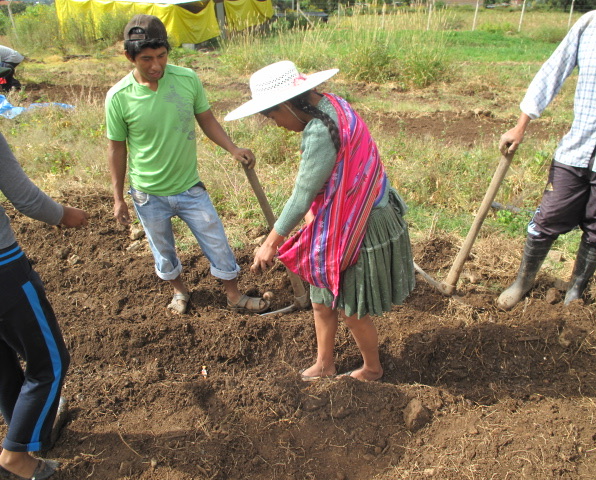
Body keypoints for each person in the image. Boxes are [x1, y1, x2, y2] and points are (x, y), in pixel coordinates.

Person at [225, 61, 415, 381]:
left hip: (361, 223)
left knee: (352, 311)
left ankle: (372, 368)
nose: (277, 124)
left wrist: (270, 243)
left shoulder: (321, 130)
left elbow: (301, 196)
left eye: (273, 117)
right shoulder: (331, 104)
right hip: (338, 217)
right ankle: (324, 363)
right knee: (321, 302)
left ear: (287, 105)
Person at [106, 14, 270, 315]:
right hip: (147, 193)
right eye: (146, 59)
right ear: (129, 56)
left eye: (162, 56)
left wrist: (232, 148)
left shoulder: (186, 79)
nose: (156, 65)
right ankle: (180, 291)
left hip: (189, 187)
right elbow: (117, 148)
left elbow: (205, 118)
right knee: (163, 250)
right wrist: (118, 198)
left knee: (217, 241)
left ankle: (233, 295)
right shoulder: (118, 97)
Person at [497, 0, 596, 310]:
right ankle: (523, 281)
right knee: (547, 217)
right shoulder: (589, 24)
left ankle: (575, 289)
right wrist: (522, 124)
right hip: (576, 150)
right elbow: (553, 70)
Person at [0, 132, 88, 479]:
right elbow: (25, 198)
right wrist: (63, 214)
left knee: (4, 357)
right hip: (3, 270)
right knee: (49, 363)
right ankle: (15, 459)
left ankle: (25, 430)